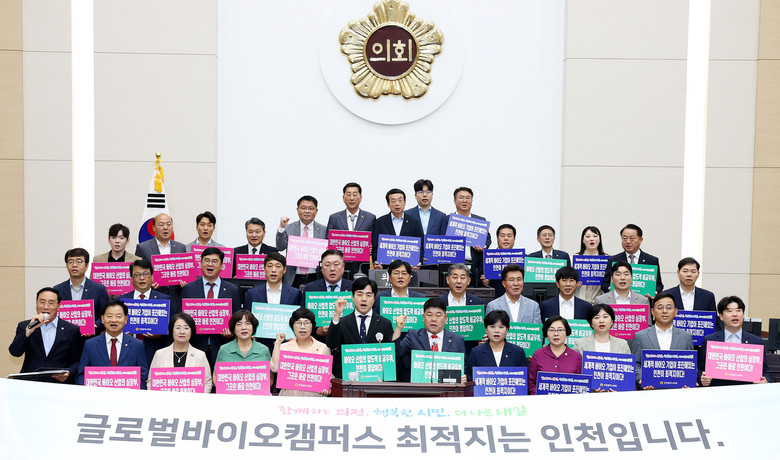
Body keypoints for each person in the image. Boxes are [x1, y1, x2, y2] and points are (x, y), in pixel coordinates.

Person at [181, 248, 242, 367]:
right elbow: (182, 317)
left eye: (215, 261)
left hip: (223, 346)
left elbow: (237, 318)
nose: (210, 264)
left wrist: (232, 332)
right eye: (207, 260)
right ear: (200, 263)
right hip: (195, 346)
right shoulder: (189, 289)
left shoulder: (232, 290)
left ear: (222, 266)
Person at [9, 287, 83, 383]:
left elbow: (78, 360)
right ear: (36, 304)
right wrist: (28, 331)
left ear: (58, 306)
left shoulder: (72, 330)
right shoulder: (25, 326)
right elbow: (15, 352)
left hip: (59, 384)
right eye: (42, 302)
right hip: (30, 383)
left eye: (51, 303)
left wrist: (69, 372)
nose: (46, 307)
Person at [326, 277, 394, 380]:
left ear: (374, 298)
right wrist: (337, 315)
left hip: (375, 380)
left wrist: (385, 379)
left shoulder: (385, 323)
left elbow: (389, 356)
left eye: (368, 295)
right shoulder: (342, 322)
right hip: (346, 380)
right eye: (359, 294)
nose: (364, 299)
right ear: (353, 297)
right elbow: (331, 344)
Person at [76, 300, 149, 389]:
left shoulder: (137, 345)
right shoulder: (90, 344)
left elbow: (142, 376)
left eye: (118, 316)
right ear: (103, 319)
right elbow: (81, 375)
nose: (114, 320)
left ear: (126, 319)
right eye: (109, 316)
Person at [699, 296, 770, 386]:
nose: (735, 314)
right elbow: (700, 370)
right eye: (729, 311)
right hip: (718, 390)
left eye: (738, 310)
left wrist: (765, 380)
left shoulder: (756, 341)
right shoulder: (710, 340)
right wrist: (702, 378)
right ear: (721, 316)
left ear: (743, 315)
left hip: (746, 390)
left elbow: (766, 371)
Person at [394, 297, 466, 382]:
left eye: (438, 315)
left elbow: (463, 367)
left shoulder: (457, 340)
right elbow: (396, 353)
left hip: (447, 387)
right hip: (420, 387)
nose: (433, 319)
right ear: (423, 317)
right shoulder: (413, 336)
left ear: (446, 318)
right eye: (429, 315)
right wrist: (398, 328)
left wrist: (463, 377)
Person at [631, 292, 693, 389]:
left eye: (669, 308)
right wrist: (641, 378)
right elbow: (635, 364)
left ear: (675, 311)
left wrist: (689, 381)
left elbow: (691, 364)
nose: (664, 311)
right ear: (653, 311)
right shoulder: (640, 336)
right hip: (650, 391)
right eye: (660, 308)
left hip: (678, 391)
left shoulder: (686, 337)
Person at [119, 259, 171, 365]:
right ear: (131, 278)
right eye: (137, 275)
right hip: (127, 351)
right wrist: (121, 333)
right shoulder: (121, 301)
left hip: (154, 351)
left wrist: (160, 335)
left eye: (145, 274)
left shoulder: (164, 300)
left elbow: (172, 328)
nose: (142, 278)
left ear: (152, 277)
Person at [270, 307, 331, 396]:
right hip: (289, 399)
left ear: (312, 326)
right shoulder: (284, 347)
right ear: (292, 326)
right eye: (298, 323)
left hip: (314, 399)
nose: (302, 327)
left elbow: (328, 376)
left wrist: (327, 388)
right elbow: (275, 368)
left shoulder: (323, 348)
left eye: (307, 323)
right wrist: (277, 343)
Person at [148, 312, 213, 393]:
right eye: (178, 328)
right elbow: (151, 381)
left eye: (186, 328)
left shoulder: (200, 355)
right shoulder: (160, 354)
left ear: (191, 331)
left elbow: (207, 383)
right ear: (172, 331)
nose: (182, 332)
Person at [276, 195, 327, 287]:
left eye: (311, 208)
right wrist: (281, 228)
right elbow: (280, 247)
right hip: (293, 277)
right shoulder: (288, 228)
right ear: (297, 210)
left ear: (316, 211)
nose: (307, 211)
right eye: (303, 208)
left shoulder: (324, 230)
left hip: (316, 276)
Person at [53, 248, 110, 329]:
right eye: (70, 262)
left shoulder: (98, 289)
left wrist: (95, 325)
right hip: (65, 335)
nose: (74, 265)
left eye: (79, 262)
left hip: (91, 335)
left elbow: (107, 314)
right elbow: (53, 314)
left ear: (86, 265)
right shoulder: (58, 289)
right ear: (66, 265)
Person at [214, 311, 272, 389]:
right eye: (239, 324)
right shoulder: (224, 350)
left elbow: (270, 377)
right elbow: (216, 375)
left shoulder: (263, 350)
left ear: (253, 328)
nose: (243, 327)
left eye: (248, 323)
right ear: (233, 329)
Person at [464, 310, 528, 381]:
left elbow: (524, 379)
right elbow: (470, 379)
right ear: (486, 329)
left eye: (501, 327)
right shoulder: (476, 352)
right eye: (492, 327)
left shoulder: (517, 352)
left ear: (507, 329)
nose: (496, 331)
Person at [600, 224, 664, 294]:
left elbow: (659, 285)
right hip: (620, 299)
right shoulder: (613, 260)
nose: (628, 241)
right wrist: (609, 289)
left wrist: (655, 292)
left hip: (643, 299)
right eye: (624, 238)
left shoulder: (651, 260)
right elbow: (605, 284)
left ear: (640, 240)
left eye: (632, 238)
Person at [528, 316, 582, 395]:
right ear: (546, 333)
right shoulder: (538, 354)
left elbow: (580, 383)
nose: (556, 334)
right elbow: (531, 382)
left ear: (566, 332)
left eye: (560, 330)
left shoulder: (576, 356)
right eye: (551, 330)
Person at [371, 188, 424, 267]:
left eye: (400, 200)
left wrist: (418, 262)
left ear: (404, 203)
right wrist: (376, 261)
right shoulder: (380, 222)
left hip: (408, 268)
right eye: (393, 201)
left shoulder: (414, 222)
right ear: (388, 204)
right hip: (386, 267)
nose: (397, 204)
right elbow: (375, 246)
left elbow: (420, 246)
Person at [452, 187, 491, 286]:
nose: (465, 200)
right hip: (453, 267)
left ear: (472, 201)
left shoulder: (480, 221)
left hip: (475, 266)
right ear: (455, 201)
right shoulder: (447, 220)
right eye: (461, 197)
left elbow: (487, 239)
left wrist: (484, 246)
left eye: (468, 198)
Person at [480, 223, 517, 298]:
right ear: (497, 238)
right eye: (502, 236)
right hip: (493, 299)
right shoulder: (486, 258)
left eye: (509, 236)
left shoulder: (522, 258)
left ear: (514, 238)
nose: (506, 238)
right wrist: (486, 284)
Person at [573, 226, 608, 303]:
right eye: (588, 236)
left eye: (595, 236)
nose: (591, 239)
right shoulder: (575, 259)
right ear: (583, 240)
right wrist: (574, 285)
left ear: (599, 240)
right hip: (580, 300)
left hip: (600, 302)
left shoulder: (607, 259)